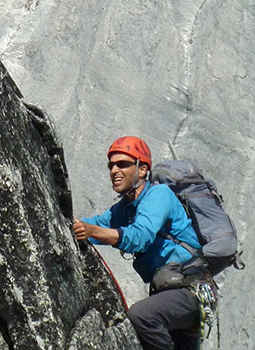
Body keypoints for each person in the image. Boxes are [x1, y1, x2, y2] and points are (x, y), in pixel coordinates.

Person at [73, 136, 214, 350]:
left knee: (141, 316)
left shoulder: (159, 195)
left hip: (190, 290)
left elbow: (140, 237)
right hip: (168, 294)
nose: (114, 171)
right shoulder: (123, 210)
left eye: (123, 164)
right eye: (111, 165)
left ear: (142, 170)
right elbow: (93, 227)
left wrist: (93, 231)